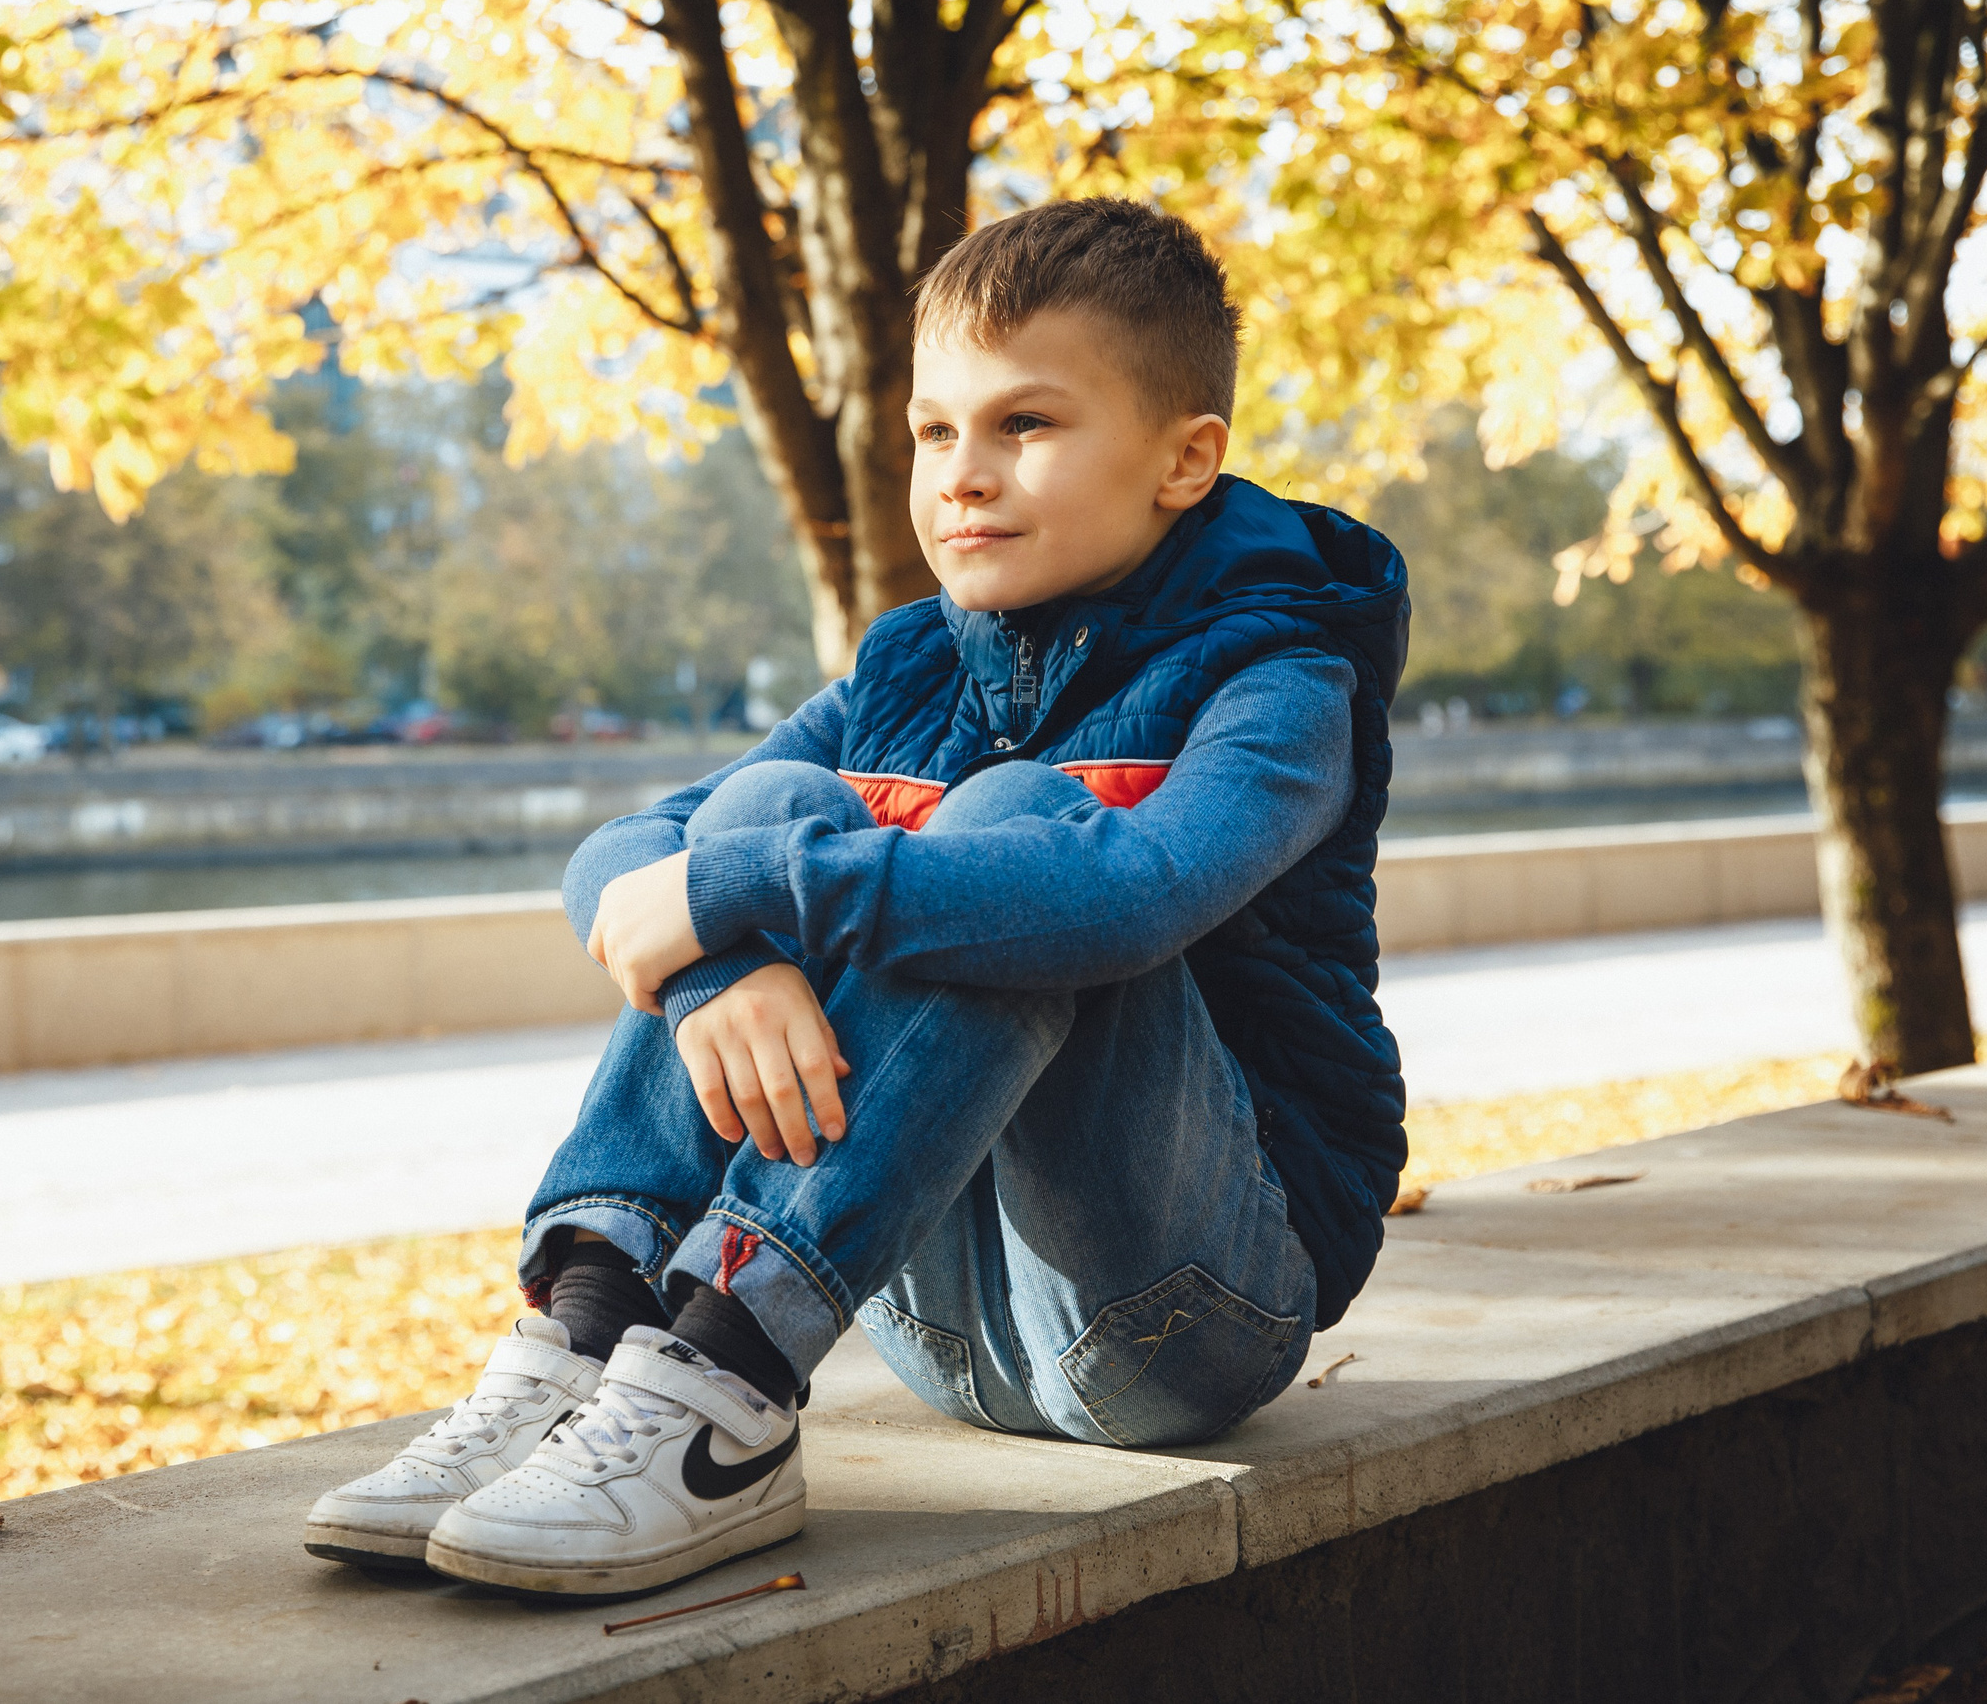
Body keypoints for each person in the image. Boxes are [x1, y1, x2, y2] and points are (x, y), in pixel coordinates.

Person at [304, 197, 1410, 1600]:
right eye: (933, 430)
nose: (964, 474)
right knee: (775, 806)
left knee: (1008, 824)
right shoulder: (908, 672)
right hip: (926, 1317)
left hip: (1183, 1318)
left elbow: (1134, 895)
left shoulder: (1281, 678)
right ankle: (590, 1342)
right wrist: (722, 965)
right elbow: (628, 858)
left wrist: (746, 891)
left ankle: (727, 1393)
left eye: (1026, 426)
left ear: (1186, 459)